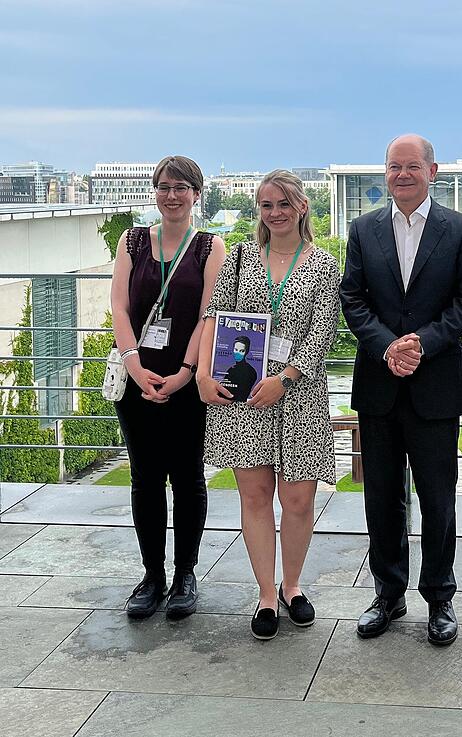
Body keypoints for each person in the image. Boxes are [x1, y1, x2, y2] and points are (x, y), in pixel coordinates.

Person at [340, 134, 462, 647]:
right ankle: (388, 593)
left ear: (433, 170)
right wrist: (387, 347)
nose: (402, 175)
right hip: (379, 386)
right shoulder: (363, 229)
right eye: (393, 167)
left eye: (412, 167)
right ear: (385, 174)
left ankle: (440, 599)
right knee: (381, 498)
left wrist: (420, 344)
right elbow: (351, 298)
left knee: (438, 500)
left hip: (436, 387)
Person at [197, 169, 339, 641]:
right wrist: (201, 373)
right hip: (244, 395)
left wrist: (286, 377)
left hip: (299, 396)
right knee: (255, 497)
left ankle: (292, 586)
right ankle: (264, 594)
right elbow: (214, 318)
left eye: (283, 203)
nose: (274, 213)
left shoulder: (322, 264)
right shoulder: (239, 257)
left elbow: (322, 333)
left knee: (298, 499)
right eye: (265, 205)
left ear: (301, 206)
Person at [111, 155, 226, 619]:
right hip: (136, 379)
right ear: (154, 191)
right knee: (144, 479)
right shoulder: (133, 241)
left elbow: (208, 314)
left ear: (196, 193)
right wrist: (134, 365)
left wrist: (184, 373)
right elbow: (120, 309)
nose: (171, 195)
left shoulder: (208, 247)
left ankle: (185, 575)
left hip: (187, 380)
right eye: (163, 186)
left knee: (187, 477)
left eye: (181, 187)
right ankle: (152, 576)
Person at [221, 335, 258, 401]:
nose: (238, 353)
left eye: (241, 351)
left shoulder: (250, 371)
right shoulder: (231, 370)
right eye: (236, 350)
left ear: (246, 352)